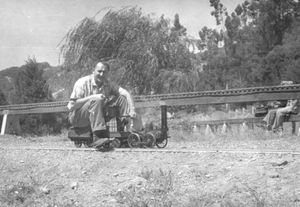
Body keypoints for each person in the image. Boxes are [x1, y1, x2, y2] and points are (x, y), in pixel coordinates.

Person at [67, 61, 136, 147]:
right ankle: (97, 137)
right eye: (99, 71)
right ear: (93, 71)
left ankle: (123, 132)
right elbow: (71, 106)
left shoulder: (108, 84)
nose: (101, 74)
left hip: (97, 116)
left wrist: (132, 110)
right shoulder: (82, 83)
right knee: (97, 99)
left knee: (121, 98)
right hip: (79, 118)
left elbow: (126, 93)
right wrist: (93, 97)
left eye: (104, 72)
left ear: (108, 73)